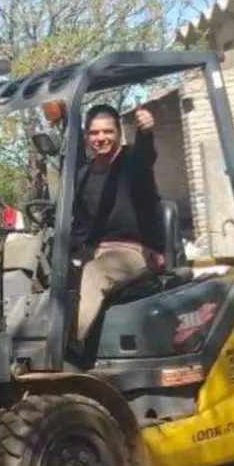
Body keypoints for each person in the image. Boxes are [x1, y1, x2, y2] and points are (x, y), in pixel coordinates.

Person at [70, 103, 164, 342]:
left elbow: (146, 154)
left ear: (119, 132)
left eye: (108, 131)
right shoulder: (83, 175)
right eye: (94, 133)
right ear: (86, 136)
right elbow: (80, 225)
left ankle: (67, 351)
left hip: (133, 253)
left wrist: (145, 132)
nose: (101, 138)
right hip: (95, 250)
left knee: (94, 273)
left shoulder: (132, 161)